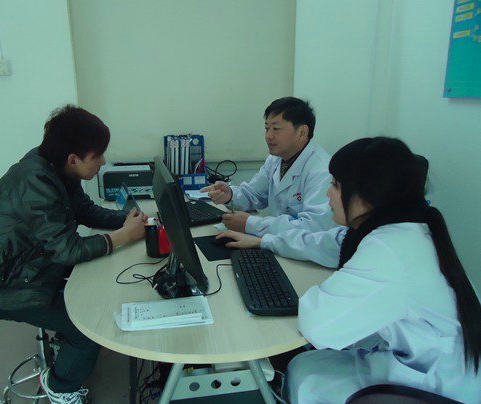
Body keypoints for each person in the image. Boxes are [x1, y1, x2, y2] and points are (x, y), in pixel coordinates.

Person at [0, 105, 147, 404]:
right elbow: (68, 250)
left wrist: (127, 220)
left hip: (28, 265)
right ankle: (60, 387)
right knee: (87, 328)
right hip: (1, 286)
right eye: (98, 156)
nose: (103, 162)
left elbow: (84, 210)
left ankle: (66, 346)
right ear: (73, 159)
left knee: (99, 284)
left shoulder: (56, 167)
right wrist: (124, 236)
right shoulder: (35, 182)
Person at [285, 137, 481, 403]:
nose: (327, 193)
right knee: (309, 365)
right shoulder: (409, 229)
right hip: (429, 365)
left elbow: (318, 327)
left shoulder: (390, 247)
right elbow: (326, 245)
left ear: (367, 196)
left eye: (335, 184)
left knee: (307, 375)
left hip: (438, 388)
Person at [203, 97, 344, 267]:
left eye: (276, 128)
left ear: (302, 132)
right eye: (267, 128)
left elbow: (313, 229)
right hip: (277, 247)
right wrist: (230, 194)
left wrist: (252, 224)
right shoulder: (276, 159)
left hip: (307, 261)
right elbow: (254, 194)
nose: (268, 136)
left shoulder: (322, 171)